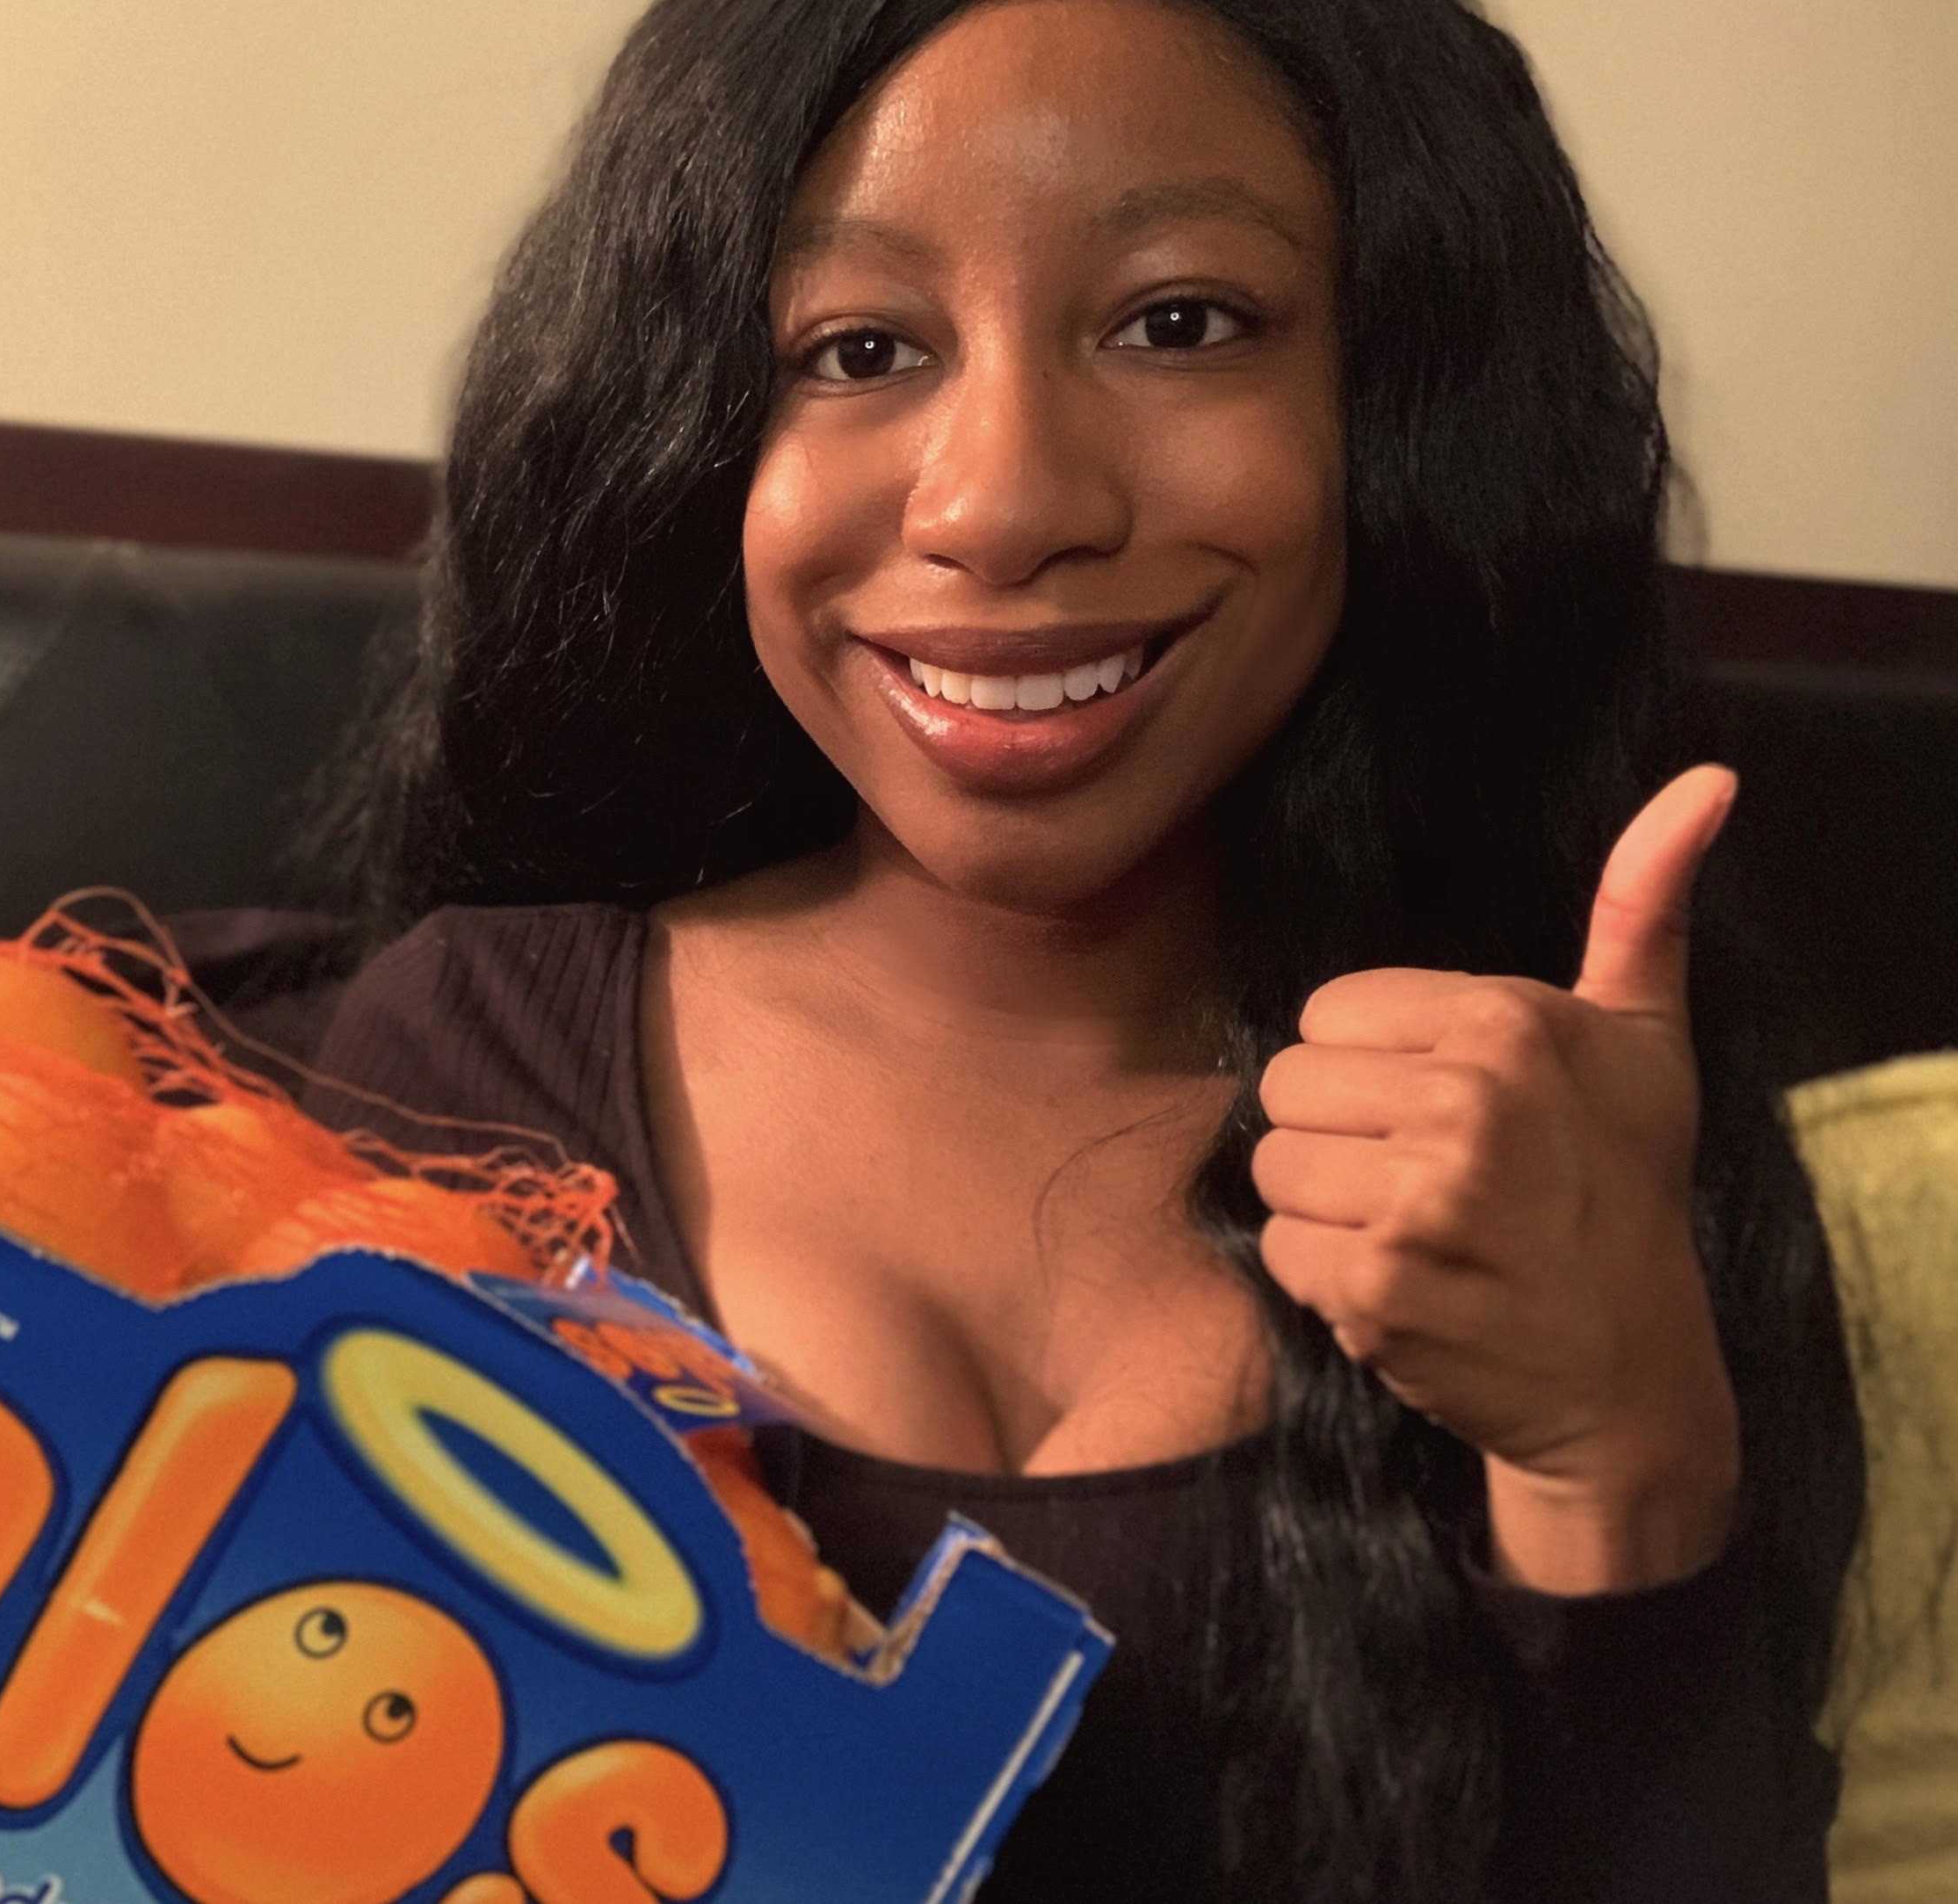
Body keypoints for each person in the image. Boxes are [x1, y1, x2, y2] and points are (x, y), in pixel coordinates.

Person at [286, 1, 1867, 1899]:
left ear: (1401, 398)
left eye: (1179, 320)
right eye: (855, 350)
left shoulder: (1583, 1148)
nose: (1002, 503)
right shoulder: (452, 1061)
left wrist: (1619, 1452)